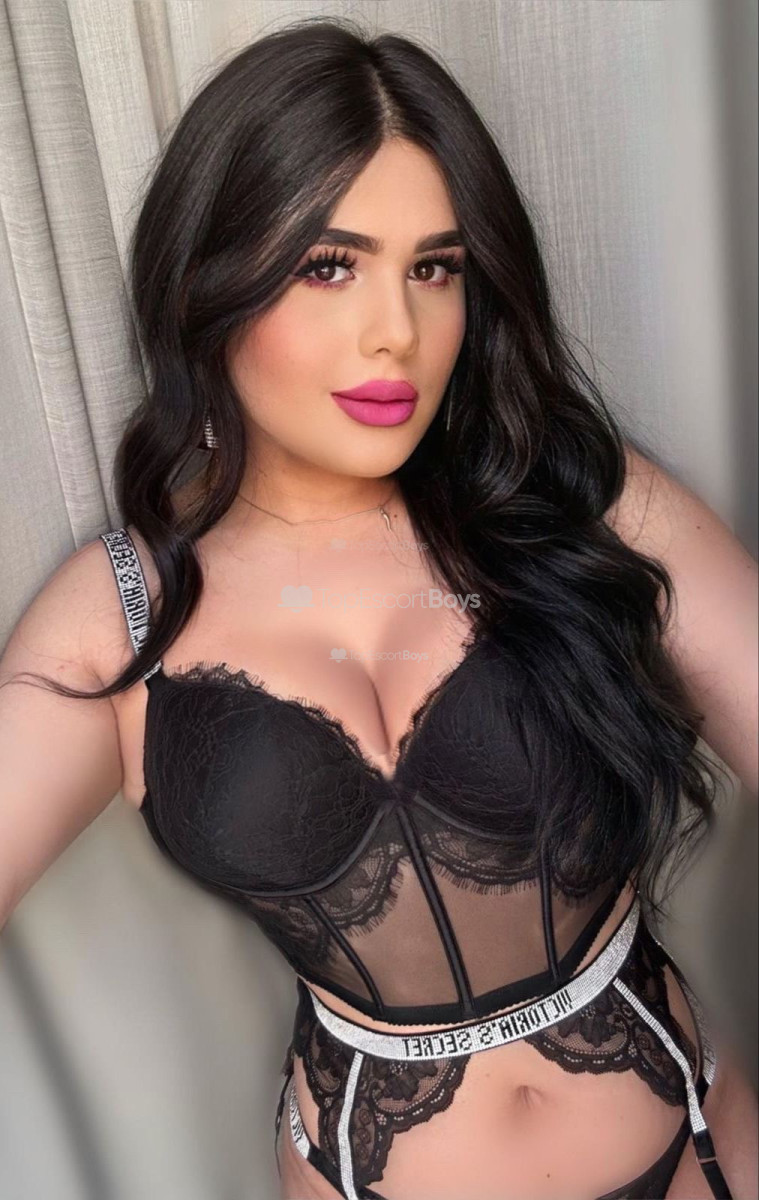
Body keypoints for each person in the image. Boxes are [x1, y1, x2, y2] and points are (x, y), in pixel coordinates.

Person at [1, 16, 757, 1200]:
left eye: (434, 268)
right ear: (208, 283)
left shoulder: (585, 502)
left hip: (698, 1154)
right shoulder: (123, 613)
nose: (396, 332)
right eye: (330, 266)